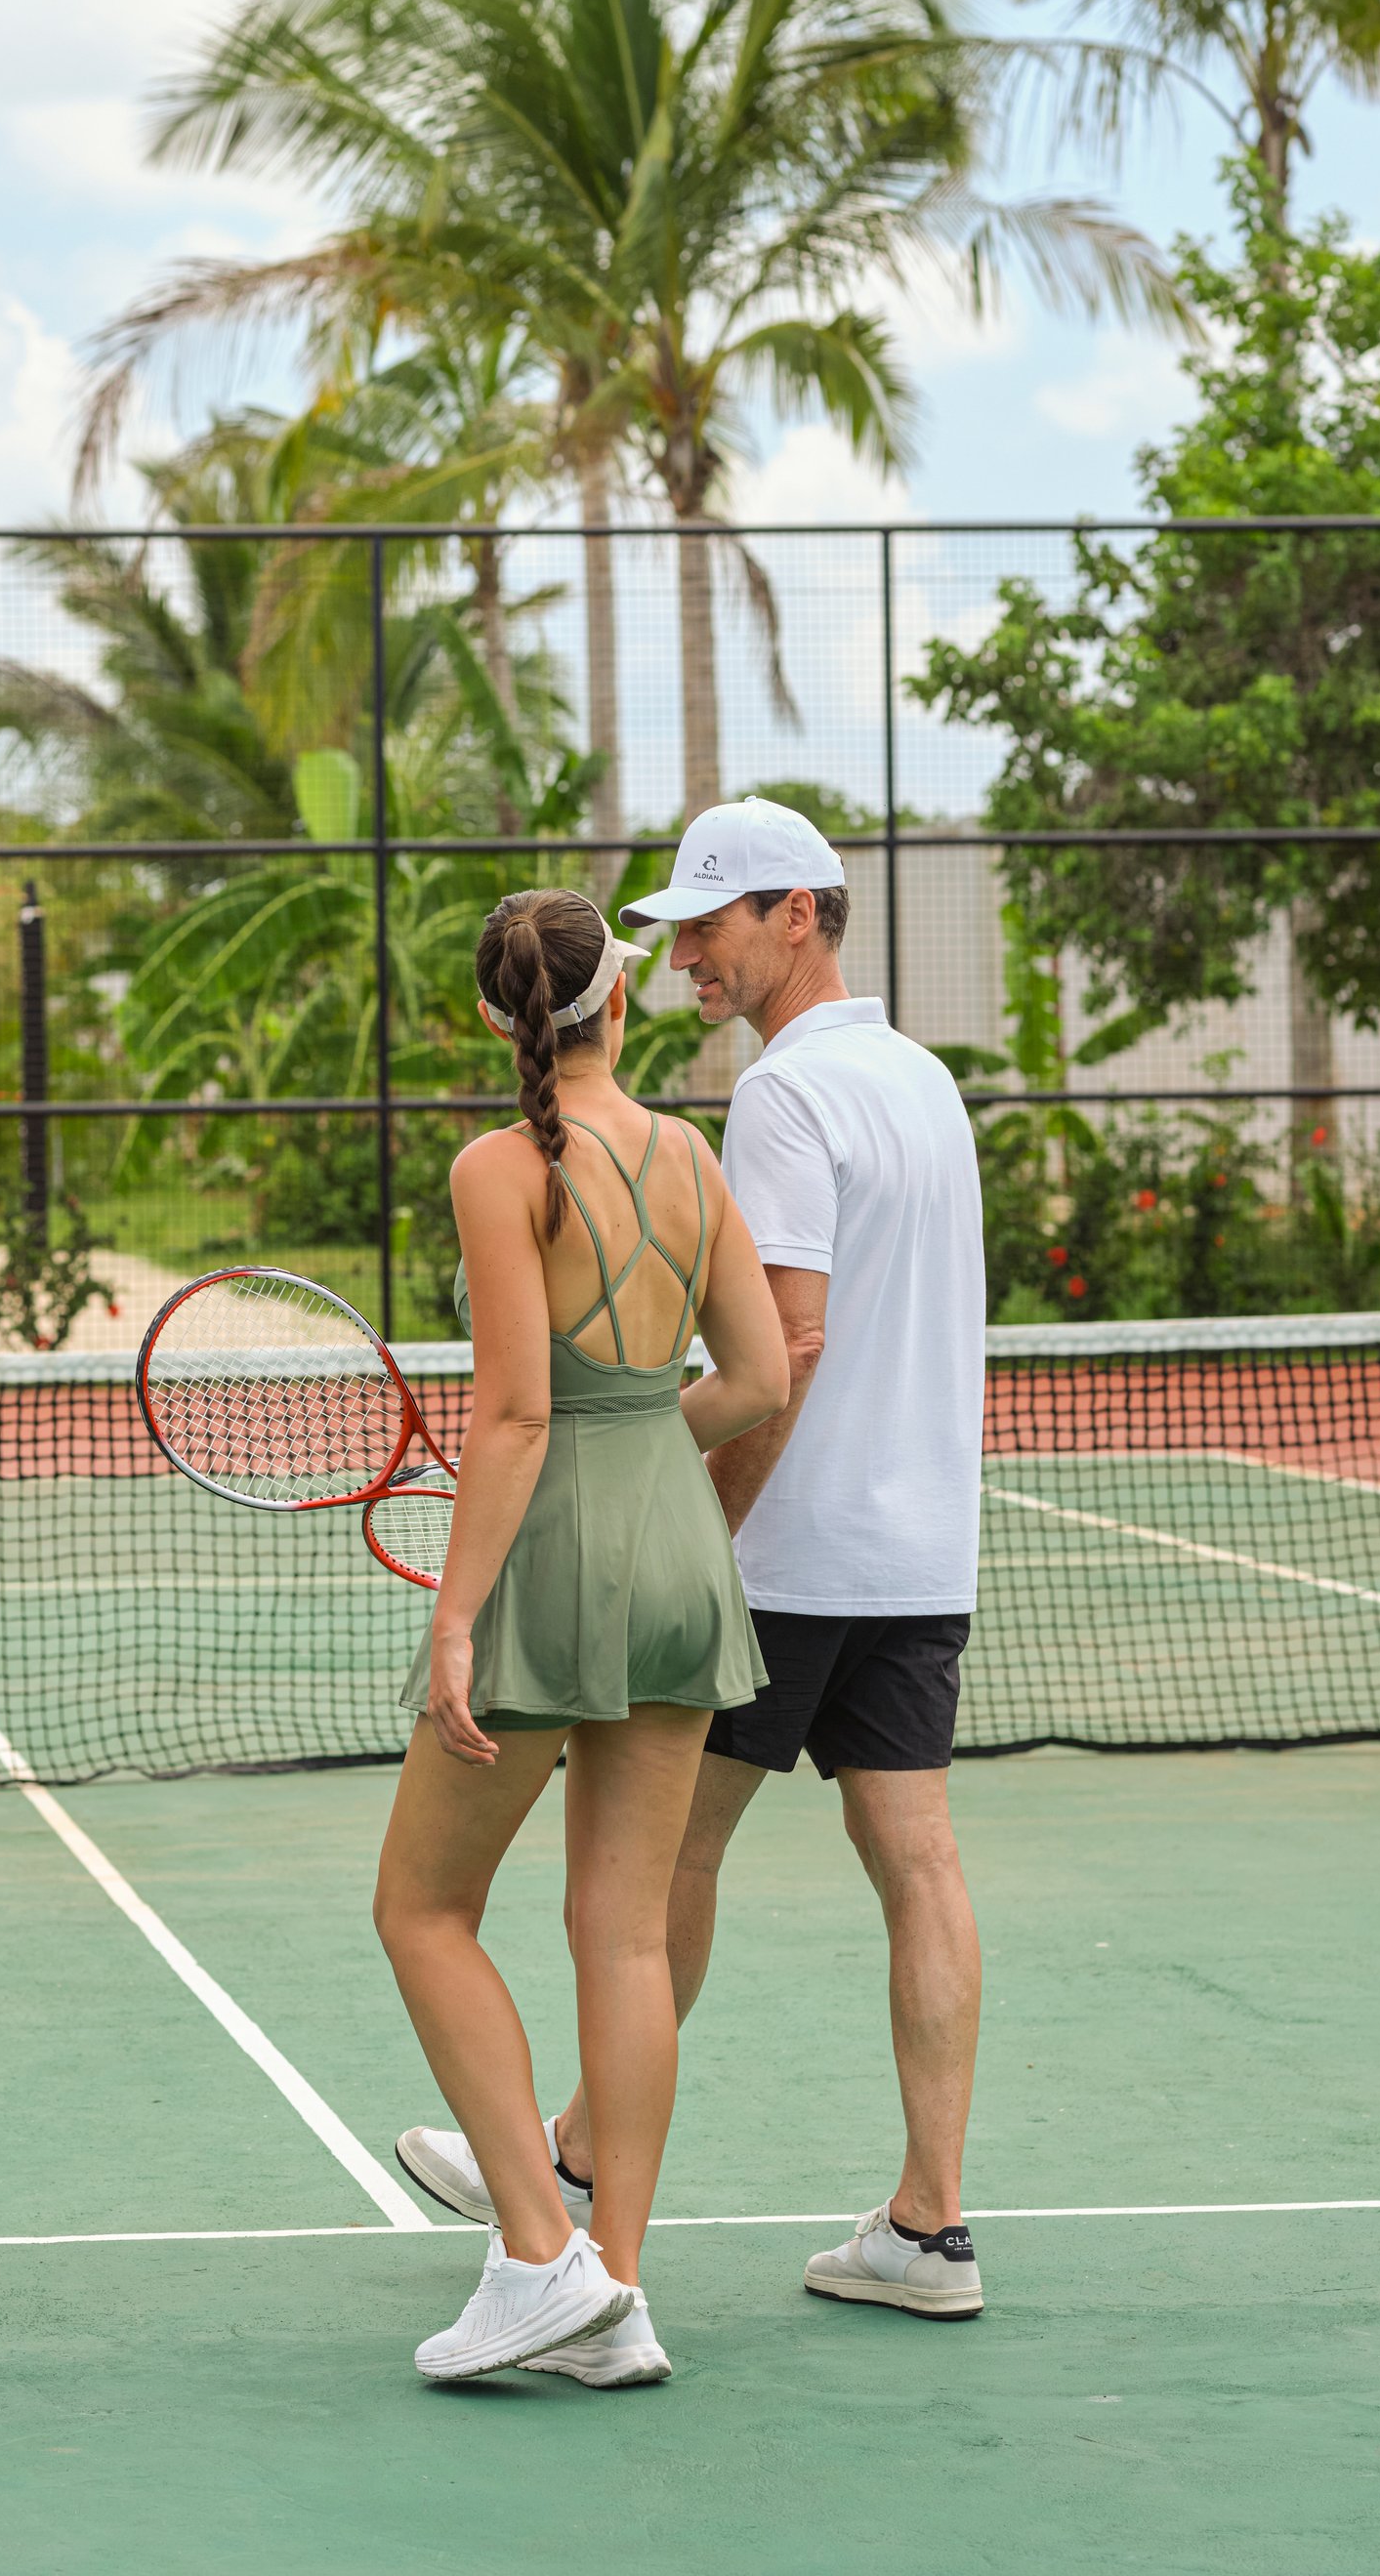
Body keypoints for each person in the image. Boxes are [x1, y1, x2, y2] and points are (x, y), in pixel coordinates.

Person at [397, 797, 991, 2322]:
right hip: (922, 1548)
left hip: (773, 1556)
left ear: (798, 912)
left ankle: (564, 2197)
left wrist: (661, 1505)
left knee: (629, 1889)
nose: (689, 960)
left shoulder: (777, 1101)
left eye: (712, 925)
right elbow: (773, 1353)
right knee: (912, 1864)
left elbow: (778, 1351)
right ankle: (921, 2226)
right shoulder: (923, 1083)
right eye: (664, 941)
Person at [371, 888, 792, 2388]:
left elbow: (514, 1415)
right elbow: (758, 1380)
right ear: (618, 995)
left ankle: (543, 2259)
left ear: (499, 1020)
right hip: (681, 1551)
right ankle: (617, 2292)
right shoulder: (691, 1153)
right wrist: (641, 1451)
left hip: (554, 1560)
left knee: (421, 1910)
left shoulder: (500, 1168)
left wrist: (456, 1619)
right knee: (626, 1936)